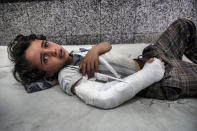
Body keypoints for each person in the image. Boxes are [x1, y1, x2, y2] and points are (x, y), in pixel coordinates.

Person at [7, 18, 196, 109]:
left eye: (46, 45)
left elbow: (107, 45)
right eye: (44, 58)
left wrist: (95, 49)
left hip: (151, 55)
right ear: (47, 74)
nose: (52, 50)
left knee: (183, 26)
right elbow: (105, 98)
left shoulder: (76, 53)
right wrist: (151, 72)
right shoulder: (67, 76)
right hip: (161, 77)